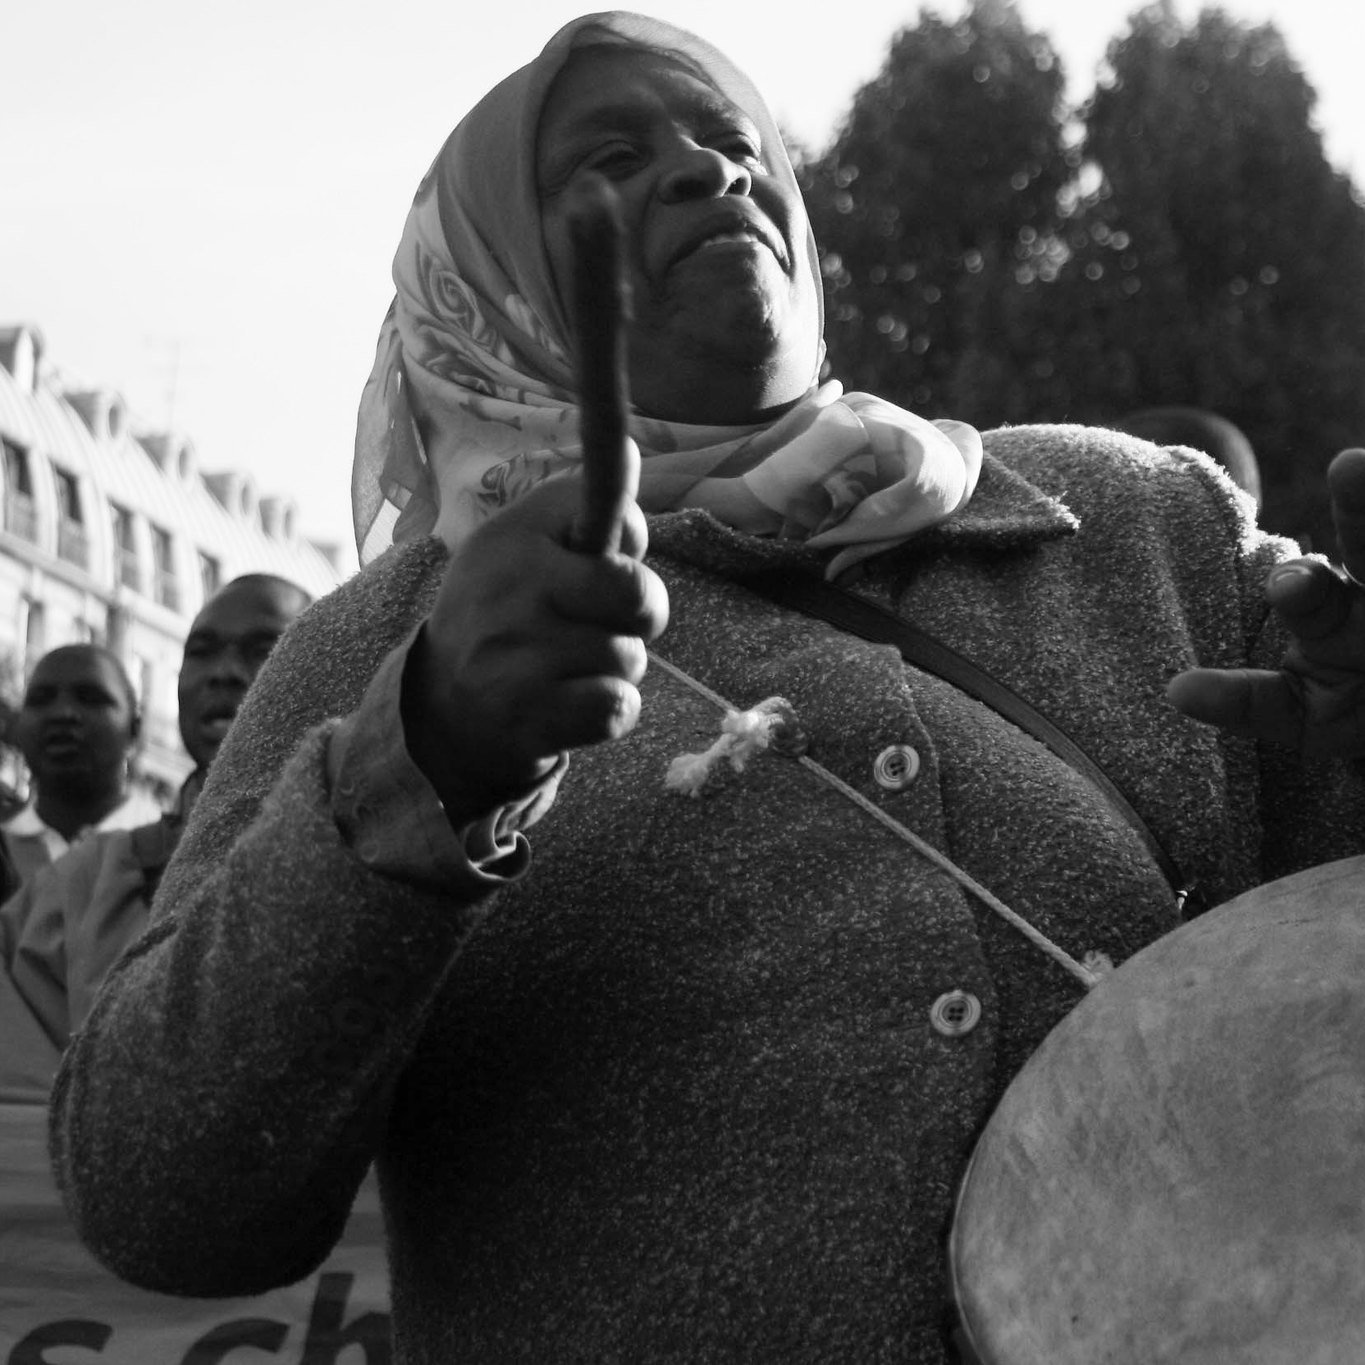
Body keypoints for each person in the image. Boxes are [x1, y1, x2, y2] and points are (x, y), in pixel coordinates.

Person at [49, 13, 1365, 1363]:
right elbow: (164, 1200)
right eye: (611, 157)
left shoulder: (1142, 527)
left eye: (738, 146)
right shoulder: (380, 648)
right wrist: (423, 756)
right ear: (487, 276)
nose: (706, 172)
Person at [0, 574, 311, 1063]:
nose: (224, 672)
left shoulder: (393, 861)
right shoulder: (72, 887)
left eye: (262, 648)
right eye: (202, 651)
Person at [0, 644, 160, 898]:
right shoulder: (6, 847)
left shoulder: (171, 855)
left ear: (134, 729)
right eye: (41, 699)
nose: (62, 714)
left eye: (90, 698)